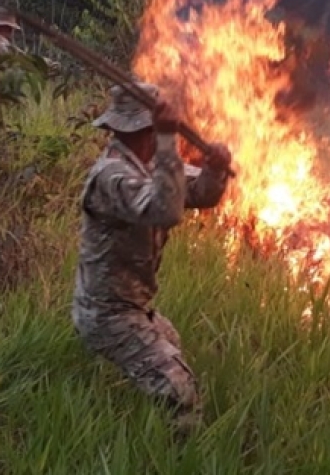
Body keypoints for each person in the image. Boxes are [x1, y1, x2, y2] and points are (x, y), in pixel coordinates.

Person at [72, 83, 232, 433]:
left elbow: (199, 193)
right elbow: (164, 208)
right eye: (152, 131)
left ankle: (135, 423)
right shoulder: (110, 176)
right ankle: (183, 456)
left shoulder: (148, 167)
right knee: (179, 388)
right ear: (140, 130)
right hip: (106, 313)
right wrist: (167, 141)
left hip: (136, 308)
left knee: (171, 347)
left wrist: (215, 169)